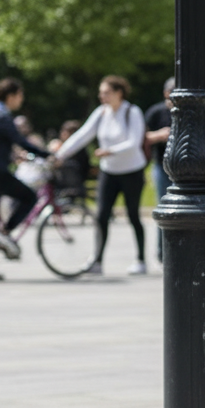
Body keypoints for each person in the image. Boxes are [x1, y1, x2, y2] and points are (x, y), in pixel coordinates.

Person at [54, 75, 147, 275]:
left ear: (118, 93)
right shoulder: (101, 113)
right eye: (101, 92)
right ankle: (97, 261)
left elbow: (134, 142)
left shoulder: (132, 112)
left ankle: (140, 259)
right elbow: (82, 135)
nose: (101, 96)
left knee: (133, 215)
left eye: (106, 92)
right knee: (101, 216)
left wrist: (110, 150)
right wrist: (60, 154)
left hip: (132, 171)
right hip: (109, 172)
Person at [0, 78, 52, 259]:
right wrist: (46, 154)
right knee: (29, 197)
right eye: (20, 95)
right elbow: (20, 140)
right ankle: (5, 235)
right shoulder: (1, 115)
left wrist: (13, 155)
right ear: (11, 96)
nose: (21, 99)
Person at [144, 77, 175, 262]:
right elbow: (142, 136)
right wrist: (159, 135)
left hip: (183, 169)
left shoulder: (187, 112)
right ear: (166, 93)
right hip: (161, 166)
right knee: (164, 209)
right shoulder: (156, 112)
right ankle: (162, 252)